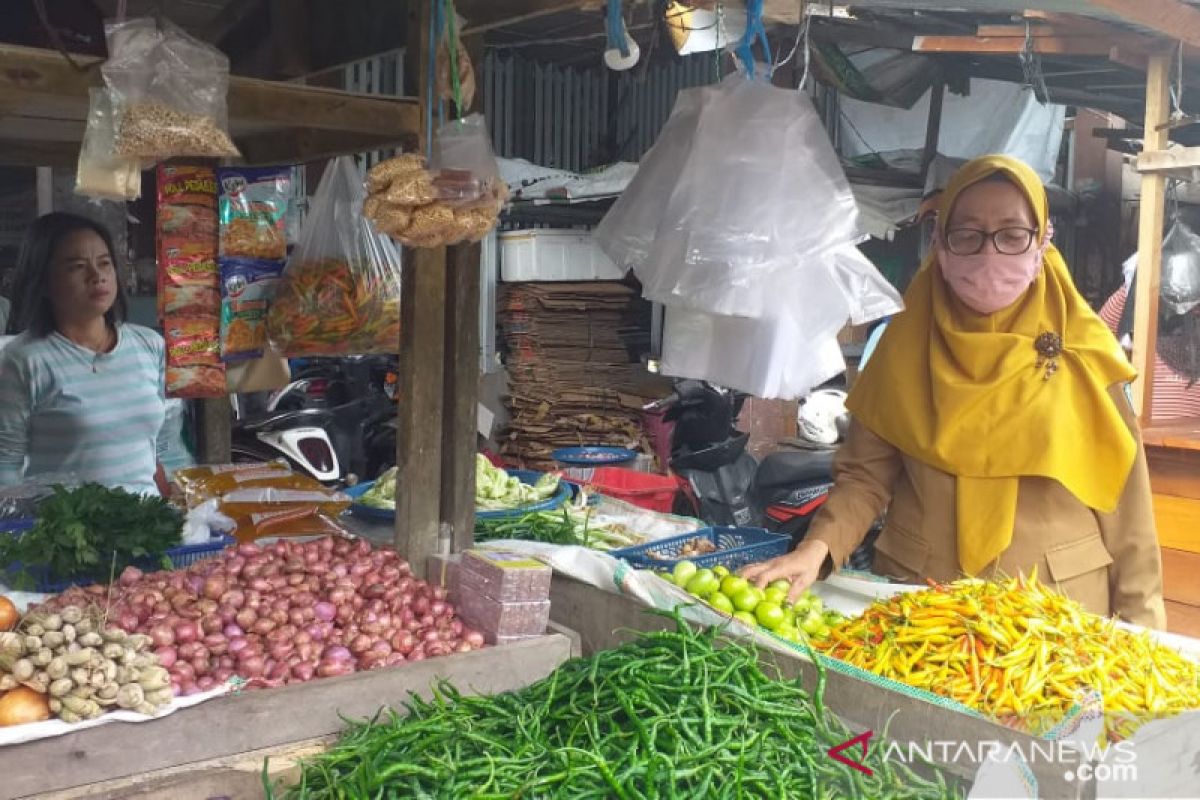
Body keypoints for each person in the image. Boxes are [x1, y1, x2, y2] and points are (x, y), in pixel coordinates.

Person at [743, 155, 1165, 628]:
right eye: (967, 234)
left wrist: (1144, 634)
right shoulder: (903, 349)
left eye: (1011, 234)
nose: (990, 255)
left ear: (1042, 242)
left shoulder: (1087, 353)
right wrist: (815, 550)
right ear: (940, 245)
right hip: (924, 605)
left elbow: (1129, 512)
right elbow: (864, 477)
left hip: (1057, 618)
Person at [0, 212, 168, 495]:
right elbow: (5, 463)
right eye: (78, 266)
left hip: (145, 526)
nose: (97, 276)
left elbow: (158, 448)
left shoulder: (149, 345)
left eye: (104, 263)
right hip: (66, 532)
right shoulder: (24, 361)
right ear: (43, 282)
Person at [1098, 274, 1200, 420]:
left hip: (1187, 441)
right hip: (1139, 436)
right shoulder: (1143, 334)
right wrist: (1138, 277)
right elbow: (1098, 332)